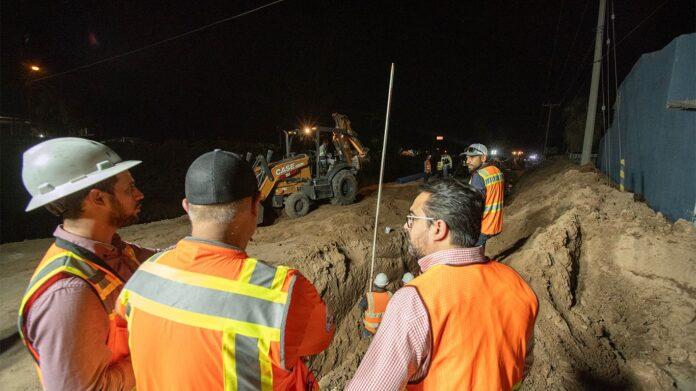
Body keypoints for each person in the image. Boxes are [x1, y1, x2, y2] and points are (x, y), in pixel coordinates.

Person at [116, 149, 334, 390]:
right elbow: (320, 339)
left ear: (187, 207)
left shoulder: (144, 276)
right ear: (255, 204)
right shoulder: (282, 293)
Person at [347, 179, 538, 391]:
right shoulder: (518, 285)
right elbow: (523, 364)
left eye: (412, 218)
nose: (405, 225)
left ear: (438, 228)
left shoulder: (415, 300)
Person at [18, 137, 154, 390]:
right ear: (98, 198)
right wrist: (162, 349)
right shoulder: (67, 292)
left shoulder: (113, 251)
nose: (139, 194)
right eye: (129, 189)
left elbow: (165, 258)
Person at [462, 143, 504, 247]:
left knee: (471, 253)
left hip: (483, 226)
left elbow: (474, 207)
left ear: (483, 158)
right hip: (495, 223)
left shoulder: (479, 176)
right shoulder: (496, 171)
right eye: (467, 157)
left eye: (472, 157)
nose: (467, 161)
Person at [358, 273, 393, 338]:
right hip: (384, 329)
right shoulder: (390, 296)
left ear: (375, 284)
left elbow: (361, 308)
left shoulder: (368, 297)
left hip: (369, 330)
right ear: (387, 284)